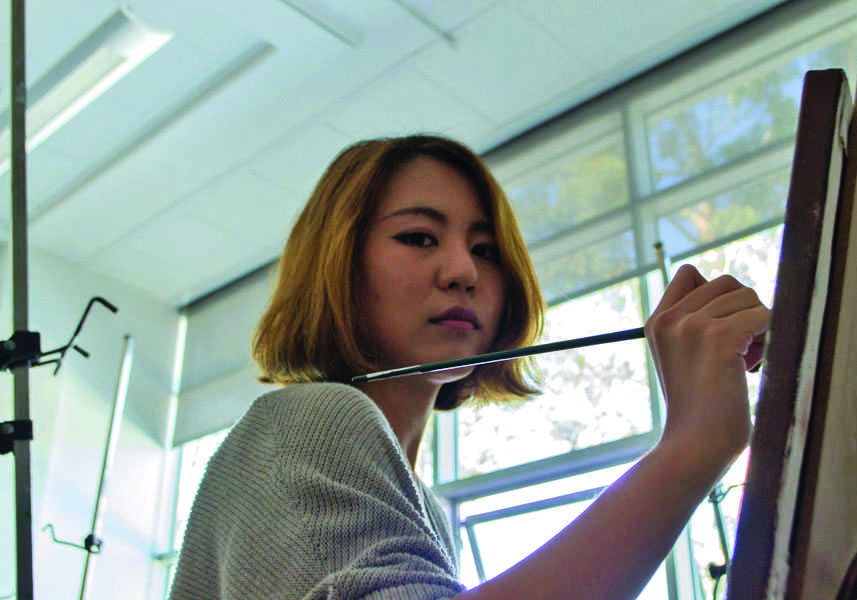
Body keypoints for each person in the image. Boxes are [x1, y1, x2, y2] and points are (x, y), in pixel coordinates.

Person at [168, 135, 769, 600]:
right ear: (338, 264)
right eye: (418, 237)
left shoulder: (426, 512)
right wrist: (691, 448)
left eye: (485, 250)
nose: (464, 271)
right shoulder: (308, 416)